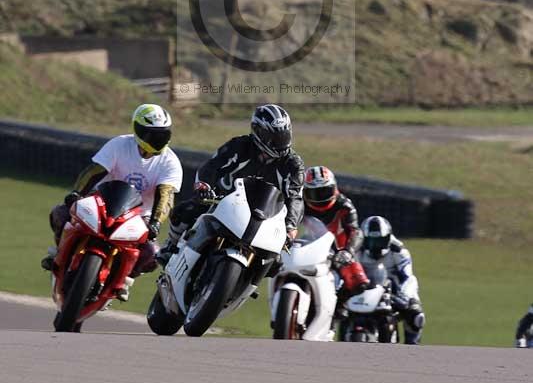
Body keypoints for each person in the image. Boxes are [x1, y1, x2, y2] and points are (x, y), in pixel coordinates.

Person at [41, 103, 183, 302]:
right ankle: (58, 252)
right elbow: (95, 171)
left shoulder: (171, 162)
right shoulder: (119, 144)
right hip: (102, 203)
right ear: (138, 130)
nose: (157, 140)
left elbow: (166, 196)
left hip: (138, 216)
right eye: (152, 134)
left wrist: (156, 222)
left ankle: (125, 279)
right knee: (62, 213)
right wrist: (76, 193)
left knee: (152, 254)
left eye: (162, 134)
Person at [160, 104, 305, 260]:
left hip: (264, 218)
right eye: (275, 138)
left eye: (283, 136)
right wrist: (204, 186)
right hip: (225, 204)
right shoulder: (239, 146)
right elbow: (211, 166)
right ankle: (171, 245)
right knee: (184, 211)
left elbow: (295, 198)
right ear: (259, 133)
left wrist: (290, 226)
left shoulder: (293, 165)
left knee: (276, 261)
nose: (280, 143)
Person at [302, 165, 369, 297]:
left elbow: (356, 231)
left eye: (325, 191)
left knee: (359, 283)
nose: (320, 198)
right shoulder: (298, 203)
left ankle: (340, 309)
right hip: (305, 247)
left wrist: (348, 251)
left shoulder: (345, 206)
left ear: (335, 188)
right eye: (314, 193)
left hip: (338, 251)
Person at [359, 215, 426, 345]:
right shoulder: (357, 249)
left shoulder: (399, 251)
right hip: (363, 287)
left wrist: (404, 296)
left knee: (416, 314)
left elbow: (408, 277)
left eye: (379, 241)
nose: (375, 246)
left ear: (388, 238)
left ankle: (412, 345)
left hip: (393, 288)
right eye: (371, 242)